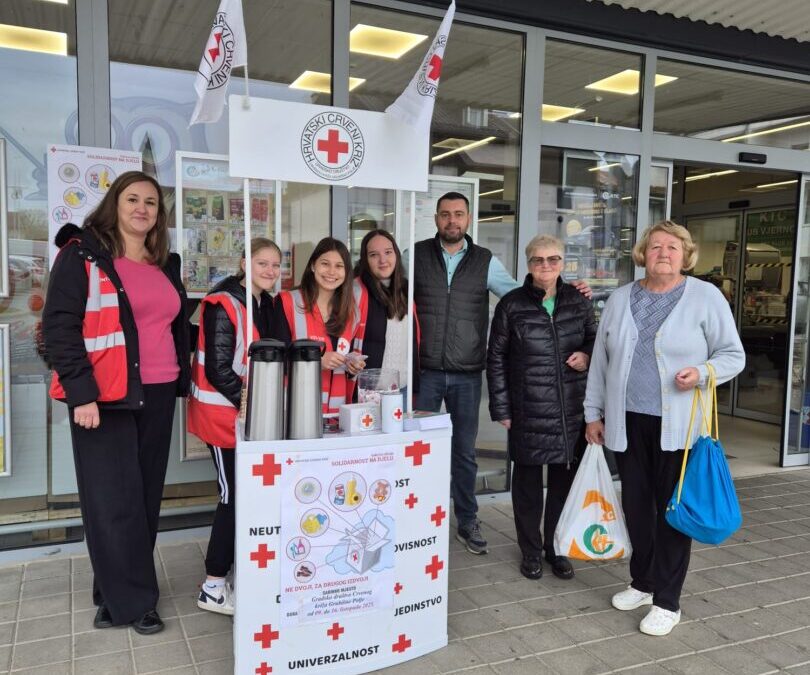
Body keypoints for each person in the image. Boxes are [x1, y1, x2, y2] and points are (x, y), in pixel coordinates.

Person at [42, 171, 190, 635]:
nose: (142, 208)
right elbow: (59, 328)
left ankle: (114, 592)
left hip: (160, 391)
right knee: (110, 502)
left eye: (150, 202)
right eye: (132, 199)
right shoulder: (83, 255)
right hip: (103, 397)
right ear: (115, 204)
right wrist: (82, 394)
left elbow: (171, 327)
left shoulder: (165, 263)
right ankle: (136, 602)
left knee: (143, 500)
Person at [584, 221, 745, 637]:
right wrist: (593, 413)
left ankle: (667, 602)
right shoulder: (620, 299)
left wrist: (705, 372)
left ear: (685, 255)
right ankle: (642, 582)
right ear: (643, 253)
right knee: (638, 510)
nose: (663, 253)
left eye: (673, 247)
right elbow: (601, 362)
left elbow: (733, 355)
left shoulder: (706, 297)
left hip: (680, 428)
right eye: (655, 246)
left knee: (671, 514)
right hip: (627, 424)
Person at [407, 192, 591, 555]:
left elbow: (522, 298)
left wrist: (570, 291)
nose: (452, 221)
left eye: (458, 214)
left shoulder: (484, 261)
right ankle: (416, 521)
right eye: (445, 214)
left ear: (469, 218)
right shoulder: (415, 256)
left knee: (463, 452)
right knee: (418, 450)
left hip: (466, 373)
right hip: (424, 372)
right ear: (436, 219)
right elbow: (390, 294)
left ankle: (467, 519)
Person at [487, 235, 596, 580]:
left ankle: (556, 548)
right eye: (537, 260)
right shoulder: (512, 305)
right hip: (528, 408)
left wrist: (588, 356)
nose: (545, 266)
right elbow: (496, 360)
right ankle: (531, 551)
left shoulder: (578, 302)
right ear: (528, 264)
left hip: (570, 410)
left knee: (564, 486)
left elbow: (596, 339)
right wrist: (502, 408)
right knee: (528, 488)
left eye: (553, 259)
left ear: (563, 263)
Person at [187, 237, 281, 615]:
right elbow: (219, 368)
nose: (270, 271)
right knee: (232, 496)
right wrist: (254, 401)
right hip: (223, 416)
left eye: (276, 264)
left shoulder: (261, 301)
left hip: (242, 415)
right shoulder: (225, 302)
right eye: (262, 263)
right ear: (245, 262)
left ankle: (235, 572)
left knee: (244, 494)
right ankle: (212, 585)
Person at [273, 237, 366, 412]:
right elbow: (275, 360)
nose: (331, 272)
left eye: (339, 266)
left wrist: (352, 366)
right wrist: (317, 361)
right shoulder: (287, 302)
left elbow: (344, 357)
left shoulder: (352, 313)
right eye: (325, 264)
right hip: (296, 411)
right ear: (313, 266)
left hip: (336, 416)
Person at [353, 229, 419, 403]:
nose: (383, 260)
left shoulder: (406, 289)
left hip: (403, 390)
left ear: (396, 254)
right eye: (374, 255)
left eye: (388, 252)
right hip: (369, 393)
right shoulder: (356, 291)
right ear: (365, 260)